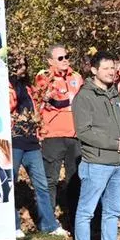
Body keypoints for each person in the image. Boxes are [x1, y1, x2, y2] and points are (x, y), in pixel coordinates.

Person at [71, 50, 120, 240]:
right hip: (96, 163)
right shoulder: (84, 97)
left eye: (113, 68)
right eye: (106, 68)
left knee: (113, 210)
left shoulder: (114, 94)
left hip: (119, 162)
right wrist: (114, 143)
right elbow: (84, 132)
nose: (111, 72)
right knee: (86, 211)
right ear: (94, 70)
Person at [8, 52, 66, 238]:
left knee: (42, 185)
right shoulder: (6, 86)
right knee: (10, 186)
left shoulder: (29, 87)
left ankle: (49, 225)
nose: (22, 68)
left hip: (32, 143)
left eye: (24, 64)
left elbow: (38, 108)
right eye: (18, 65)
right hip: (14, 141)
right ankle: (13, 226)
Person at [34, 44, 84, 220]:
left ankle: (75, 217)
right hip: (52, 134)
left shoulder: (77, 77)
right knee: (51, 179)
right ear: (50, 61)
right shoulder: (44, 76)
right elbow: (53, 100)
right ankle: (48, 219)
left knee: (75, 179)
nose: (65, 60)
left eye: (67, 56)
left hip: (74, 134)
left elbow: (82, 102)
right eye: (60, 58)